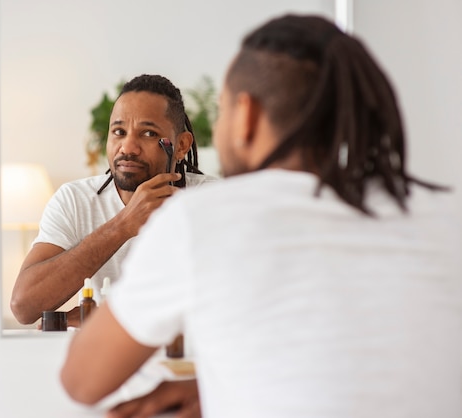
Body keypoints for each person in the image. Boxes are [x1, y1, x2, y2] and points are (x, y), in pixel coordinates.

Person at [60, 14, 462, 418]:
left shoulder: (200, 219)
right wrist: (218, 382)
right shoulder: (445, 217)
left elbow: (82, 380)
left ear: (246, 115)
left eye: (221, 111)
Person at [10, 74, 215, 326]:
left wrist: (113, 317)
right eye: (119, 131)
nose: (128, 147)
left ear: (181, 146)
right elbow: (23, 306)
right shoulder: (74, 200)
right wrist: (123, 225)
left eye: (149, 133)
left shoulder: (212, 201)